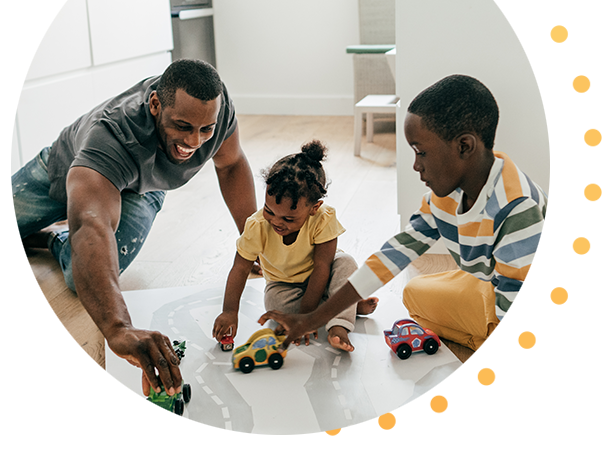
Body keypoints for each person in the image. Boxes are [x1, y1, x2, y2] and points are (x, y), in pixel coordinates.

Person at [12, 58, 257, 396]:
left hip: (143, 186)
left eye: (206, 130)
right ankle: (55, 219)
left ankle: (52, 239)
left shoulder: (217, 107)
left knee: (79, 276)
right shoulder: (112, 134)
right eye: (183, 126)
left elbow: (230, 165)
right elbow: (90, 224)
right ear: (155, 104)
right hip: (67, 170)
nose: (195, 141)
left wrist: (254, 241)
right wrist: (118, 327)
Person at [260, 75, 548, 352]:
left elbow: (517, 297)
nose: (415, 165)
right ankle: (482, 329)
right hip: (492, 283)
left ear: (464, 146)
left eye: (420, 152)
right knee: (414, 292)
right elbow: (392, 256)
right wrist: (313, 319)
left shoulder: (517, 207)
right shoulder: (445, 197)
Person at [213, 140, 378, 352]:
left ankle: (339, 324)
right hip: (285, 285)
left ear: (314, 207)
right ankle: (347, 305)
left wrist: (305, 318)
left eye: (289, 219)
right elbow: (240, 268)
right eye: (269, 210)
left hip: (323, 277)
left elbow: (322, 268)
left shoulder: (323, 218)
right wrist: (229, 311)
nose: (276, 222)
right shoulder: (257, 225)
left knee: (346, 262)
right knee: (273, 303)